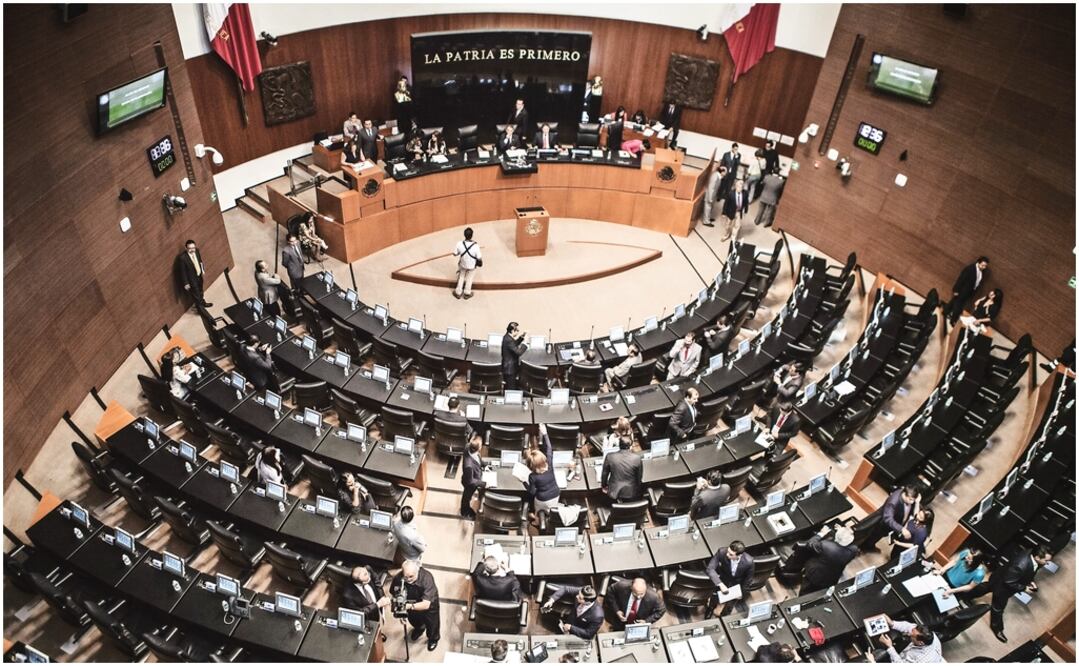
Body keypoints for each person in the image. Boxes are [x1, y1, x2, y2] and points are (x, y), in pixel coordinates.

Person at [965, 545, 1051, 643]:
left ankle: (967, 595)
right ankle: (997, 628)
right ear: (1037, 558)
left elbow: (1028, 570)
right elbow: (1009, 582)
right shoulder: (1020, 565)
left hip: (1000, 575)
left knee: (987, 587)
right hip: (1003, 587)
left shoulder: (1031, 552)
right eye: (1046, 561)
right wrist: (1024, 588)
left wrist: (1029, 581)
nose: (1047, 563)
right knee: (998, 608)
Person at [389, 560, 440, 651]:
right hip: (410, 603)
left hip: (428, 606)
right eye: (405, 576)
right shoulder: (398, 578)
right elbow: (395, 596)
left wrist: (410, 606)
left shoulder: (427, 578)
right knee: (414, 620)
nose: (408, 579)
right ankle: (419, 629)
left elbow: (426, 604)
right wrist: (401, 613)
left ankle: (433, 639)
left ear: (418, 571)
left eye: (411, 576)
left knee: (432, 624)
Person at [800, 525, 858, 594]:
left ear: (836, 538)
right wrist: (843, 533)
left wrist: (821, 533)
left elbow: (810, 543)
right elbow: (844, 544)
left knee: (805, 592)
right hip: (832, 578)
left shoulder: (825, 545)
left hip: (814, 575)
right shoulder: (853, 550)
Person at [706, 541, 754, 614]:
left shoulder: (749, 562)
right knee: (714, 599)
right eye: (728, 551)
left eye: (731, 554)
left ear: (739, 555)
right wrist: (720, 584)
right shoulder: (722, 552)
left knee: (728, 608)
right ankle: (710, 609)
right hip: (723, 579)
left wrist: (741, 593)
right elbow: (710, 569)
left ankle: (725, 614)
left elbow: (748, 580)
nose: (727, 554)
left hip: (736, 586)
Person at [868, 617, 941, 663]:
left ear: (920, 643)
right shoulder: (929, 634)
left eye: (912, 636)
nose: (909, 634)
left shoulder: (919, 659)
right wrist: (892, 623)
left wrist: (890, 647)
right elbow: (909, 627)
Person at [526, 424, 561, 511]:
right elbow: (549, 448)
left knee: (538, 511)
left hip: (542, 499)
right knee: (551, 510)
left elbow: (532, 492)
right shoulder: (549, 464)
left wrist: (523, 482)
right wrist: (545, 433)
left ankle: (537, 518)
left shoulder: (532, 476)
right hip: (556, 495)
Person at [946, 257, 989, 325]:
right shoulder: (970, 268)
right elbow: (961, 279)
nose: (984, 267)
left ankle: (945, 311)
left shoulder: (981, 272)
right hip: (962, 290)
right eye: (983, 265)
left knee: (954, 301)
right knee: (959, 305)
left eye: (985, 266)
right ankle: (953, 320)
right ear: (978, 262)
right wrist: (956, 290)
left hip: (969, 292)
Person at [601, 435, 643, 502]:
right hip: (631, 492)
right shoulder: (637, 458)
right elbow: (639, 477)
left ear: (619, 445)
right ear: (630, 446)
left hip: (614, 492)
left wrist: (604, 485)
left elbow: (604, 474)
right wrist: (637, 488)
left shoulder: (610, 456)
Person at [178, 239, 212, 308]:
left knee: (200, 290)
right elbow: (183, 272)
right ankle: (200, 308)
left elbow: (200, 261)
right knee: (196, 294)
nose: (192, 250)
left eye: (193, 248)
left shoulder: (197, 251)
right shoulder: (183, 258)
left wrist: (202, 270)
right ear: (186, 248)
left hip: (199, 276)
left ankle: (202, 303)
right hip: (192, 279)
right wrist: (186, 283)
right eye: (190, 248)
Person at [452, 227, 482, 300]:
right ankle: (467, 293)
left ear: (464, 235)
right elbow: (479, 258)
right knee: (470, 278)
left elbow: (455, 254)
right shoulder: (476, 246)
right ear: (472, 235)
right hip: (472, 266)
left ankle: (458, 293)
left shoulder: (459, 243)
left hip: (463, 264)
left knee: (461, 277)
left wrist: (459, 252)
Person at [460, 433, 485, 519]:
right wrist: (483, 484)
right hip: (470, 484)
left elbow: (478, 458)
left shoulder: (468, 446)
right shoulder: (469, 466)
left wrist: (484, 464)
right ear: (479, 448)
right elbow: (470, 481)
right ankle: (465, 512)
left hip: (475, 475)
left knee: (467, 497)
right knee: (466, 498)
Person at [501, 322, 528, 390]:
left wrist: (522, 337)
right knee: (511, 388)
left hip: (509, 367)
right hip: (510, 369)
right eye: (517, 330)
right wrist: (525, 344)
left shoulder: (507, 337)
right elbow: (518, 352)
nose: (518, 332)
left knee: (511, 387)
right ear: (513, 330)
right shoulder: (508, 340)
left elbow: (514, 344)